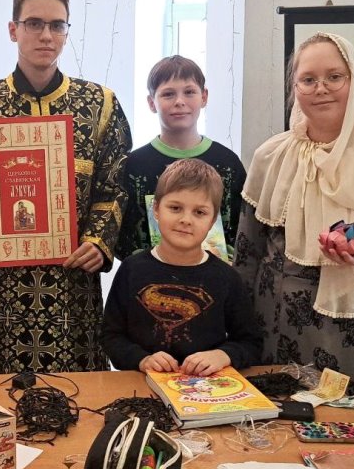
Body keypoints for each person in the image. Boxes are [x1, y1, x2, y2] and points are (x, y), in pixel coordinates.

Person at [233, 32, 354, 444]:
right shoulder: (270, 157)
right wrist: (236, 336)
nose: (320, 88)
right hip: (277, 330)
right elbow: (247, 255)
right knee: (278, 448)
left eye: (334, 77)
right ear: (294, 88)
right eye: (308, 79)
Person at [0, 0, 131, 374]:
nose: (46, 35)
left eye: (57, 25)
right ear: (13, 30)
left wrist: (98, 241)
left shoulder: (99, 104)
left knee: (78, 393)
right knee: (0, 395)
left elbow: (115, 185)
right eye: (34, 23)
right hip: (5, 285)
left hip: (72, 278)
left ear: (66, 31)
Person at [102, 159, 261, 375]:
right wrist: (142, 360)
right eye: (175, 208)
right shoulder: (131, 269)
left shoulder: (227, 277)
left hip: (207, 388)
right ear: (156, 209)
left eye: (199, 212)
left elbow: (251, 343)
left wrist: (223, 355)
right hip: (141, 384)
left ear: (213, 219)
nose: (186, 220)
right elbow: (111, 337)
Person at [115, 55, 245, 261]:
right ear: (151, 102)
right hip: (150, 275)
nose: (179, 102)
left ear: (204, 97)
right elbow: (123, 237)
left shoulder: (228, 163)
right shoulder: (134, 166)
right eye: (168, 94)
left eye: (189, 92)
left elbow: (241, 231)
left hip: (215, 275)